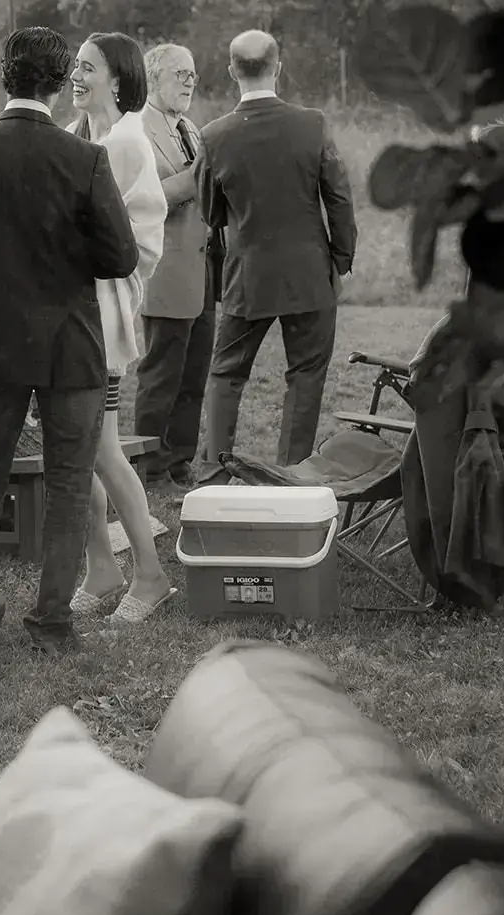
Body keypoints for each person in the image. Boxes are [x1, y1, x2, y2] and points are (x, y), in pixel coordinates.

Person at [0, 26, 138, 654]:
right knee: (69, 483)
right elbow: (121, 256)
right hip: (69, 344)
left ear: (4, 76)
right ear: (59, 81)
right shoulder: (84, 160)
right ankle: (50, 621)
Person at [196, 30, 357, 469]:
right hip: (309, 271)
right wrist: (341, 260)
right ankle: (292, 474)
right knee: (305, 376)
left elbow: (211, 211)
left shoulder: (214, 136)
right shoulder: (313, 124)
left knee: (228, 372)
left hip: (247, 274)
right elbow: (338, 198)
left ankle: (214, 472)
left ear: (232, 71)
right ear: (278, 68)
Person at [66, 32, 174, 625]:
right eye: (76, 67)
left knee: (102, 449)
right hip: (77, 313)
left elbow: (128, 244)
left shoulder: (125, 142)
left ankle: (151, 576)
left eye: (88, 68)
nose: (76, 76)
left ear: (118, 78)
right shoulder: (86, 136)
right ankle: (102, 566)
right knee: (80, 451)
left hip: (99, 318)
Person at [135, 43, 218, 492]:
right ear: (153, 79)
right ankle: (149, 466)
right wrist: (198, 176)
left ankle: (179, 461)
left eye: (193, 74)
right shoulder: (136, 130)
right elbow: (147, 197)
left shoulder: (191, 127)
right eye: (179, 74)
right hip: (164, 270)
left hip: (203, 268)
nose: (190, 81)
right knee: (162, 373)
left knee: (193, 372)